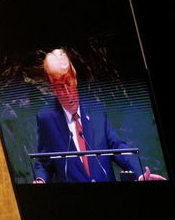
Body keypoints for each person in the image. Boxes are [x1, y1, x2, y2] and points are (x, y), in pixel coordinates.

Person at [32, 48, 165, 183]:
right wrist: (41, 180)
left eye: (68, 83)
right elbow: (44, 161)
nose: (67, 92)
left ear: (75, 79)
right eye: (60, 86)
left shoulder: (96, 110)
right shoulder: (46, 118)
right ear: (53, 88)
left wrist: (140, 174)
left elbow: (117, 148)